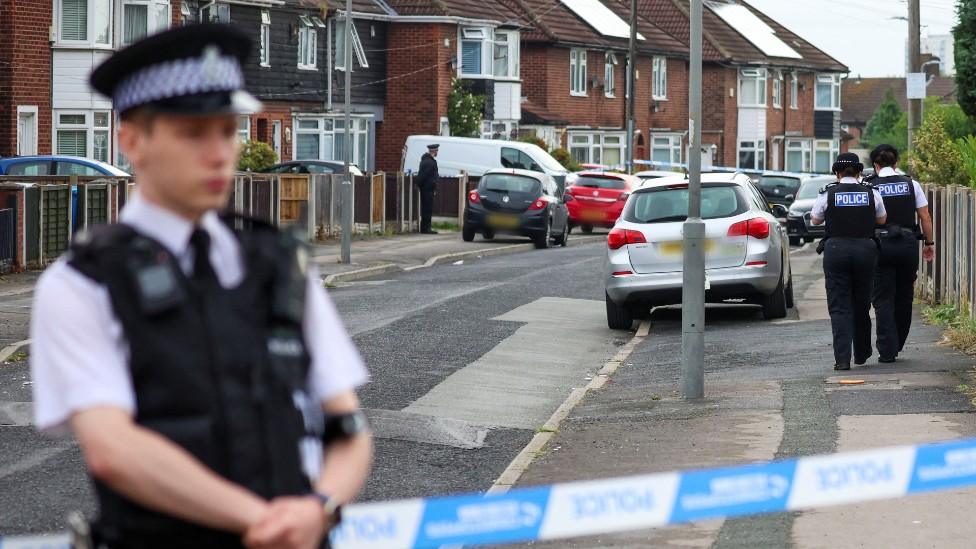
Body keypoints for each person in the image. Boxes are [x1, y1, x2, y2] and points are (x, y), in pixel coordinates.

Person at [29, 24, 372, 549]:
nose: (219, 153)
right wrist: (264, 521)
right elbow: (113, 450)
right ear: (132, 140)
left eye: (228, 130)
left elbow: (347, 427)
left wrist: (319, 508)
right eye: (194, 132)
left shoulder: (280, 264)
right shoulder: (81, 283)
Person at [810, 153, 887, 371]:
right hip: (865, 249)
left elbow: (815, 219)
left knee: (839, 307)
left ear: (837, 173)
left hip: (836, 250)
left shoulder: (828, 193)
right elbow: (882, 219)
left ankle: (842, 360)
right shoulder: (871, 192)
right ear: (859, 172)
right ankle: (862, 353)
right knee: (862, 304)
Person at [864, 144, 936, 363]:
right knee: (904, 295)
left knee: (883, 297)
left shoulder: (869, 185)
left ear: (875, 165)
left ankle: (887, 349)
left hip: (880, 245)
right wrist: (929, 243)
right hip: (907, 244)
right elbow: (924, 216)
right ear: (896, 163)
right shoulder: (910, 183)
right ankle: (899, 340)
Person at [415, 144, 440, 234]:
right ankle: (426, 228)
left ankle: (425, 227)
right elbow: (424, 176)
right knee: (427, 208)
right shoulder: (429, 162)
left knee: (427, 208)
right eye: (436, 151)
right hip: (427, 189)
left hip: (428, 188)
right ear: (433, 151)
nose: (437, 152)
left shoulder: (427, 161)